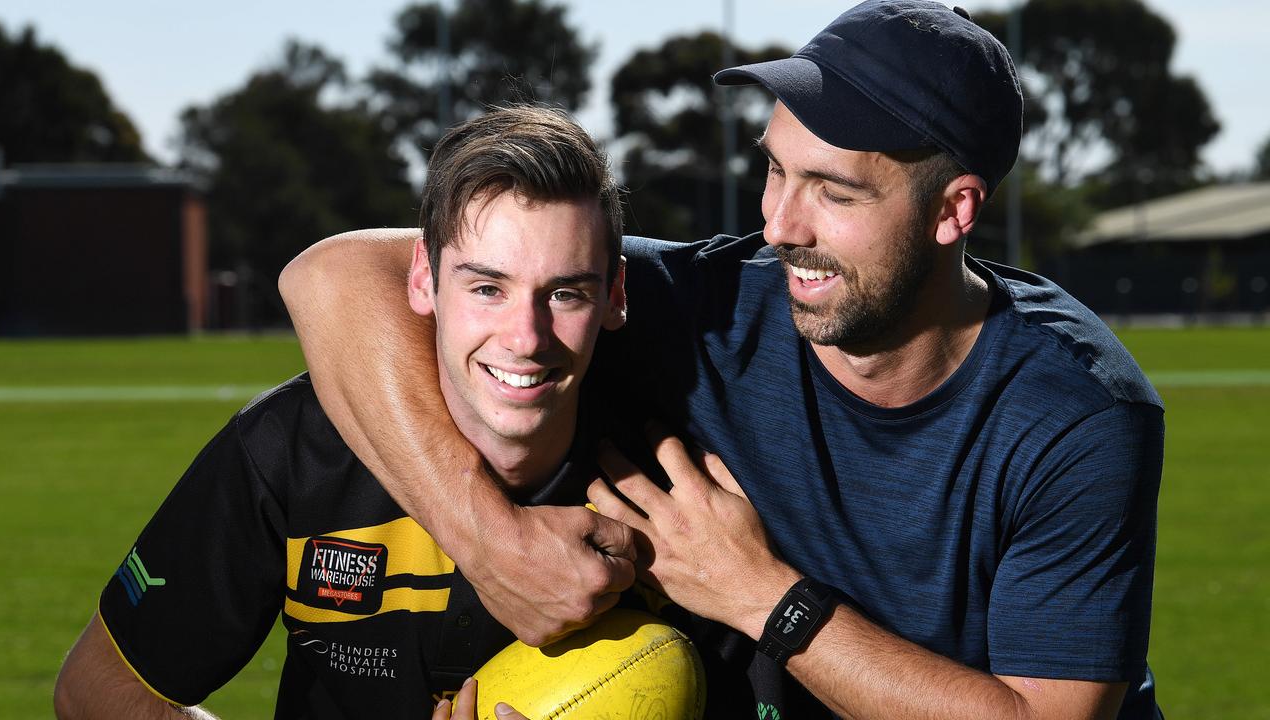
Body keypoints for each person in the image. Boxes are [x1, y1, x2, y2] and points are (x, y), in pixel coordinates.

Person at [279, 2, 1165, 718]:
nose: (781, 224)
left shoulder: (1077, 414)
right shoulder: (709, 306)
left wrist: (763, 598)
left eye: (834, 190)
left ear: (954, 211)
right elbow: (330, 275)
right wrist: (489, 540)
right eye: (777, 170)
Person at [52, 106, 637, 719]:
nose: (525, 337)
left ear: (615, 296)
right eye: (487, 288)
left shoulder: (666, 482)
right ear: (422, 280)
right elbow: (95, 691)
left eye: (566, 293)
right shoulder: (294, 446)